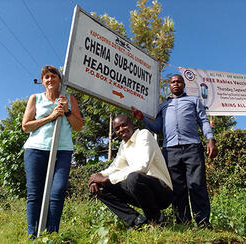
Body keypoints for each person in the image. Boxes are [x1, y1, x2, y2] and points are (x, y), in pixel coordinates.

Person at [131, 74, 218, 228]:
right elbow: (157, 128)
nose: (176, 84)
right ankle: (183, 223)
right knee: (177, 189)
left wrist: (210, 139)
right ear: (169, 86)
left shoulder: (193, 101)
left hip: (192, 147)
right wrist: (142, 118)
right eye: (173, 82)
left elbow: (204, 121)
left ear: (184, 85)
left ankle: (203, 223)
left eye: (179, 82)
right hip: (170, 150)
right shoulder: (163, 106)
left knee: (197, 185)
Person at [22, 65, 83, 237]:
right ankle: (32, 236)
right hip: (36, 149)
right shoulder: (35, 98)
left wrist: (67, 111)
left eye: (53, 76)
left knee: (57, 191)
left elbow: (78, 126)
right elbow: (26, 126)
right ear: (42, 81)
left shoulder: (69, 99)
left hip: (62, 150)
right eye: (46, 77)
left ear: (59, 79)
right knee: (35, 193)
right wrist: (51, 117)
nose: (50, 79)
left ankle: (52, 235)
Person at [88, 114, 173, 228]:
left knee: (134, 178)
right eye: (117, 129)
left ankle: (157, 220)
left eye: (124, 125)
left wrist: (107, 178)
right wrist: (97, 177)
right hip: (141, 191)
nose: (121, 130)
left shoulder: (144, 135)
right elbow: (115, 167)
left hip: (162, 192)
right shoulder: (124, 146)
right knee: (103, 187)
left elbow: (142, 166)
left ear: (132, 124)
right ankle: (137, 222)